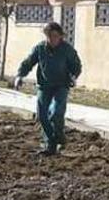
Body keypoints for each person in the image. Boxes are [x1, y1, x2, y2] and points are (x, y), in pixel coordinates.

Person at [14, 22, 82, 156]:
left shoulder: (67, 50)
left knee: (56, 113)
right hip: (44, 86)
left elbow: (76, 65)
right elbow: (28, 62)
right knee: (42, 115)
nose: (52, 39)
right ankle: (50, 144)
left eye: (55, 36)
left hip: (61, 85)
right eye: (49, 36)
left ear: (60, 36)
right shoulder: (40, 48)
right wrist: (20, 75)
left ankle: (60, 137)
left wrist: (74, 76)